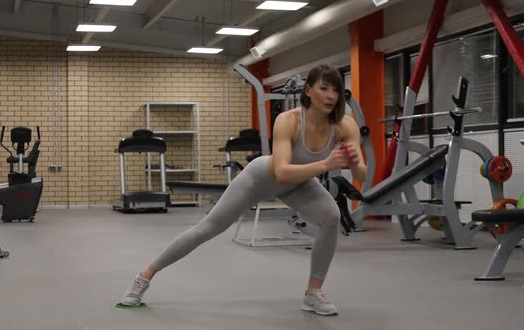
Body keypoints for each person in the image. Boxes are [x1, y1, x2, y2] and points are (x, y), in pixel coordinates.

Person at [120, 64, 367, 316]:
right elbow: (281, 172)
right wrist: (326, 164)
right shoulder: (289, 120)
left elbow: (362, 175)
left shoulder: (345, 125)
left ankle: (312, 293)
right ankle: (144, 276)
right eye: (323, 88)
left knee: (331, 216)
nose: (330, 96)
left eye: (335, 90)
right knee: (209, 227)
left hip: (301, 182)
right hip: (261, 178)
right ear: (308, 90)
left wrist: (356, 162)